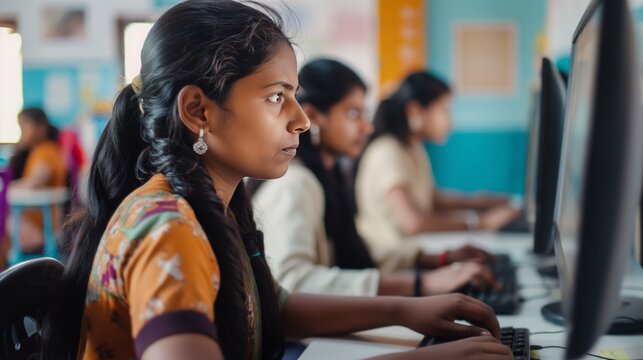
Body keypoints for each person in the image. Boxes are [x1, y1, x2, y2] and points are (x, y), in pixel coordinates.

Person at [42, 2, 512, 359]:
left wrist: (407, 310)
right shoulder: (168, 230)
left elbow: (270, 307)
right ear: (198, 111)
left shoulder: (211, 205)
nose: (302, 121)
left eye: (295, 97)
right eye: (276, 98)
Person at [254, 59, 498, 298]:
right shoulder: (295, 183)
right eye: (353, 113)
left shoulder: (329, 176)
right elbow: (291, 282)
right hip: (301, 339)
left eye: (365, 114)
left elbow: (353, 249)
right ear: (314, 117)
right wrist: (419, 284)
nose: (366, 127)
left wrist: (435, 259)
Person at [355, 71, 521, 272]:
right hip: (394, 267)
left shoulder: (413, 148)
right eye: (444, 110)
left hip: (414, 255)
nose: (450, 122)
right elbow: (413, 223)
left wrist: (484, 202)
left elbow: (431, 199)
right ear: (415, 111)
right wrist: (479, 223)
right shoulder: (387, 151)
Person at [5, 107, 66, 253]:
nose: (22, 132)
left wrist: (5, 187)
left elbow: (34, 182)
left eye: (25, 125)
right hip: (37, 227)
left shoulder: (46, 151)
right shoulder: (36, 152)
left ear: (41, 127)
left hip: (41, 231)